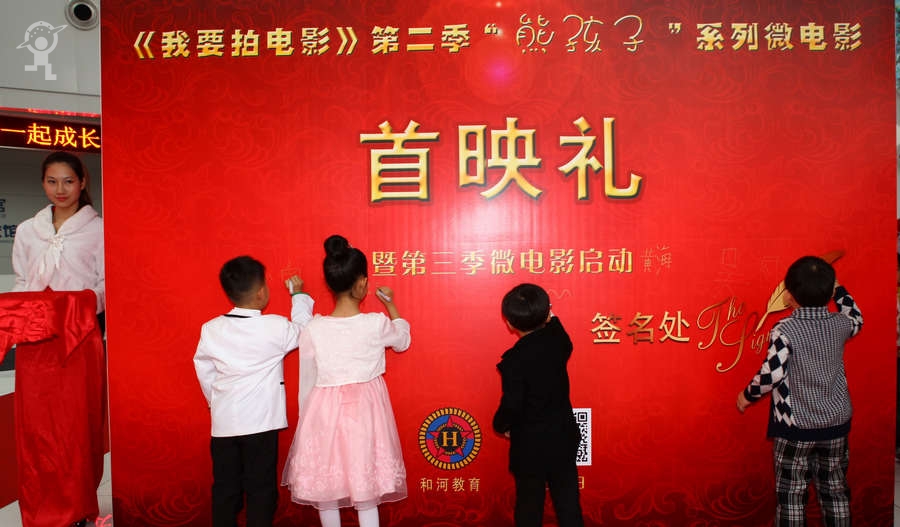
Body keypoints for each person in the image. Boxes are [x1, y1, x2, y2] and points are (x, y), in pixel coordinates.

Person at [282, 234, 410, 527]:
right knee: (366, 489)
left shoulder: (314, 328)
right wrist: (391, 306)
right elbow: (403, 340)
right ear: (362, 283)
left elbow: (307, 381)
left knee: (326, 487)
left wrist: (305, 424)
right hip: (366, 413)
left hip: (322, 413)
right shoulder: (375, 323)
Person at [737, 256, 862, 526]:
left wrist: (747, 395)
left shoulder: (785, 329)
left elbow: (772, 373)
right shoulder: (841, 324)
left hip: (796, 426)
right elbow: (856, 317)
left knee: (792, 494)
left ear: (789, 295)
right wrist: (839, 290)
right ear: (828, 291)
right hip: (836, 423)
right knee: (835, 490)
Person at [194, 256, 314, 527]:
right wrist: (298, 296)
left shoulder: (211, 329)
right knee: (261, 491)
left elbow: (204, 369)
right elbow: (305, 330)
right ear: (261, 292)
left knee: (225, 491)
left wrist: (215, 401)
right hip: (261, 424)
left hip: (224, 424)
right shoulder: (274, 326)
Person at [492, 283, 584, 527]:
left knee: (529, 506)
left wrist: (501, 425)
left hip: (530, 445)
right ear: (546, 314)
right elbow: (555, 325)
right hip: (562, 438)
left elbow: (512, 404)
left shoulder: (514, 362)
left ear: (510, 323)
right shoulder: (559, 342)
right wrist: (547, 313)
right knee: (568, 503)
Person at [11, 151, 104, 323]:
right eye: (52, 182)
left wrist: (83, 304)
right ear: (43, 183)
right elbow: (22, 280)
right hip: (34, 323)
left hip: (81, 323)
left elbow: (107, 283)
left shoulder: (100, 229)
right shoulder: (27, 229)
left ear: (82, 183)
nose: (60, 190)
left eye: (68, 181)